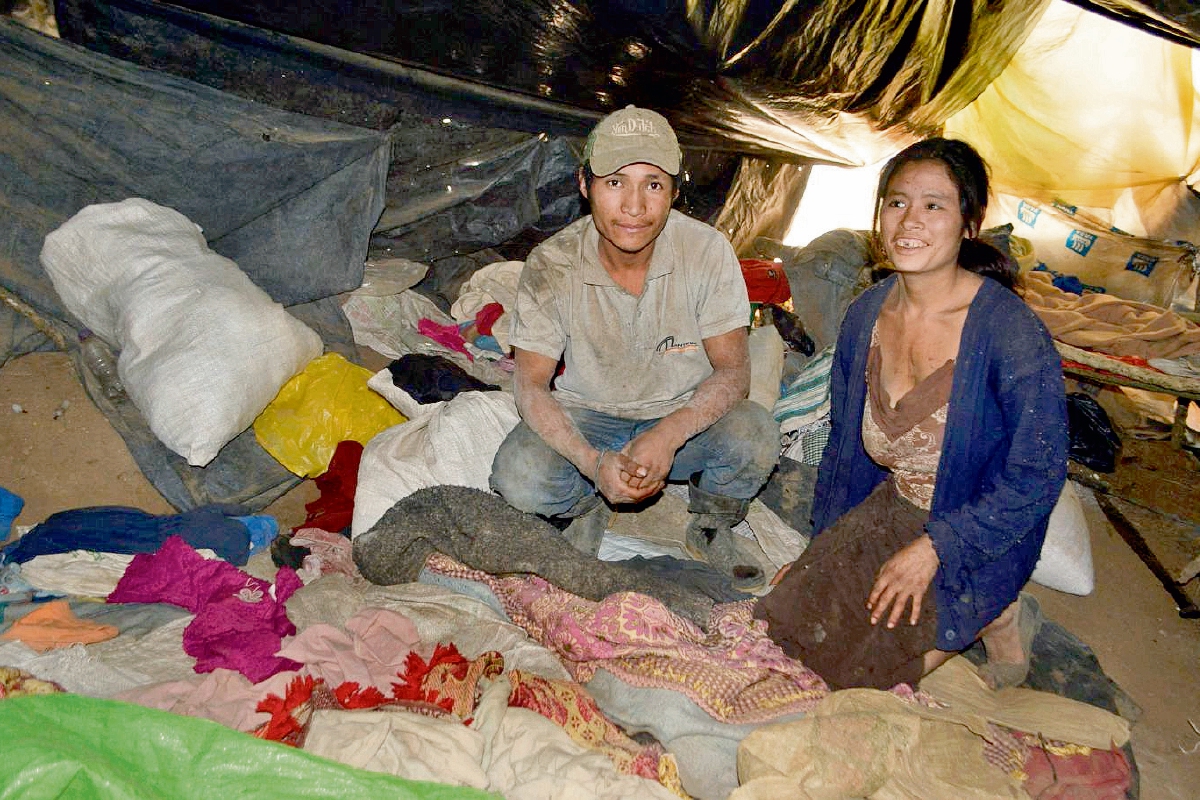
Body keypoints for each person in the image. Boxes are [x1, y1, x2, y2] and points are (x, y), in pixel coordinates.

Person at [754, 137, 1068, 691]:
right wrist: (819, 557)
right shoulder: (866, 316)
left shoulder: (1009, 334)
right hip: (894, 508)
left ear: (969, 224)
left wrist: (935, 551)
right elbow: (844, 454)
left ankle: (996, 612)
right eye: (897, 203)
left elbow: (1035, 478)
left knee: (857, 680)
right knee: (780, 631)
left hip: (979, 528)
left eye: (934, 205)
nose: (909, 221)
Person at [489, 105, 779, 589]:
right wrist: (592, 463)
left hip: (680, 416)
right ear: (585, 185)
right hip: (592, 416)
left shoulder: (706, 251)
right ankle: (588, 503)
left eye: (654, 184)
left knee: (755, 433)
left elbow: (733, 373)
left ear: (674, 192)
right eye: (615, 182)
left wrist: (667, 435)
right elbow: (531, 385)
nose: (634, 206)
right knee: (519, 474)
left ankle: (710, 524)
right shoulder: (552, 262)